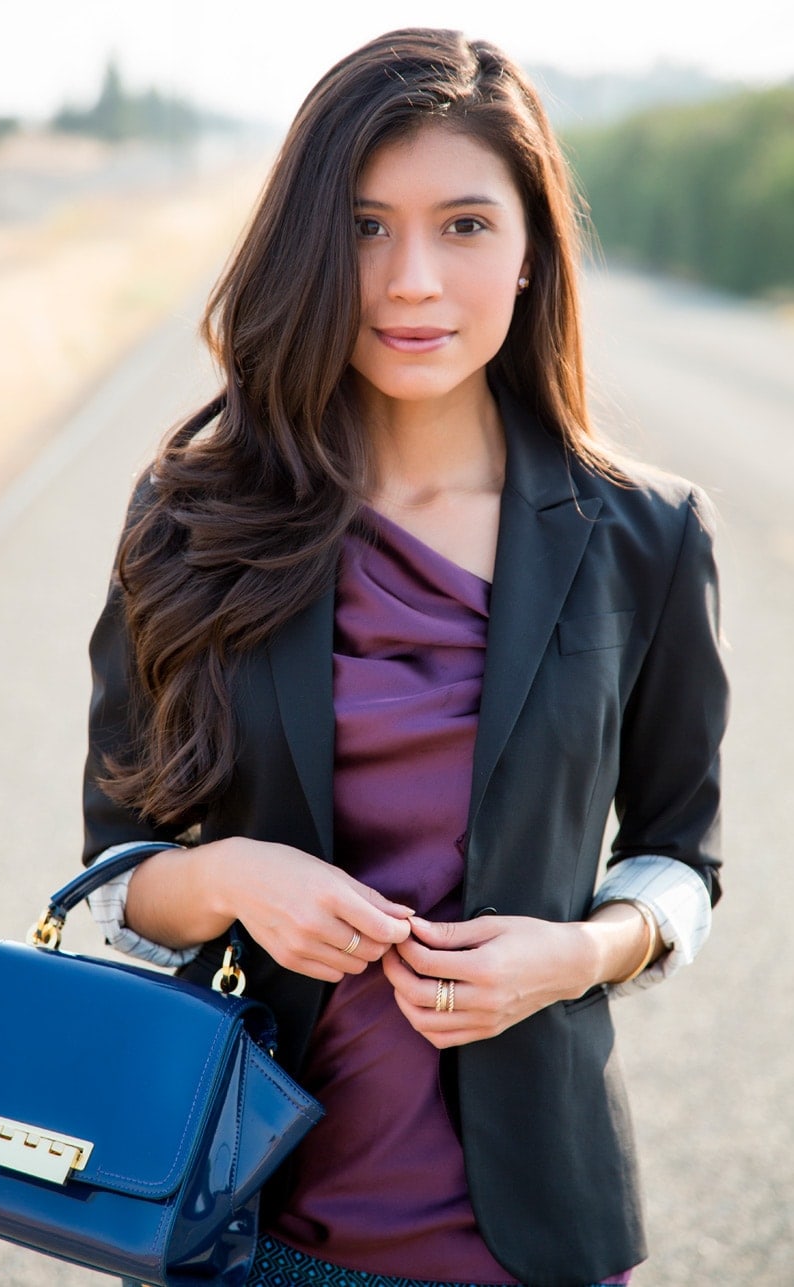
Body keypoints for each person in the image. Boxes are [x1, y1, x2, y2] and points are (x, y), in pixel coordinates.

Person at [81, 28, 727, 1287]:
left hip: (539, 1237)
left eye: (466, 225)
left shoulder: (647, 534)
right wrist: (232, 877)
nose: (412, 280)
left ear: (535, 249)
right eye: (367, 226)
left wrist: (581, 952)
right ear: (307, 242)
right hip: (238, 1225)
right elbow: (112, 875)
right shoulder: (190, 513)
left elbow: (681, 861)